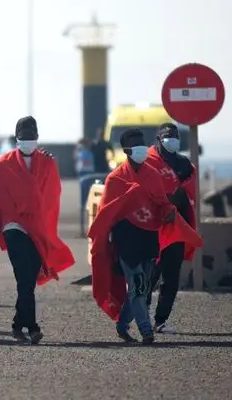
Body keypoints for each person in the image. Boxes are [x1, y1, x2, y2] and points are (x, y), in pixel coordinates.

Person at [87, 128, 201, 344]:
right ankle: (146, 330)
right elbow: (106, 214)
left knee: (144, 286)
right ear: (127, 150)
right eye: (135, 144)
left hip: (149, 237)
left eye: (142, 143)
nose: (141, 147)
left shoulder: (153, 175)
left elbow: (162, 202)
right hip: (126, 239)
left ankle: (122, 325)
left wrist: (169, 211)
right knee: (138, 284)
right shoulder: (115, 179)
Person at [0, 116, 75, 344]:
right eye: (25, 137)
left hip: (38, 228)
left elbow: (52, 193)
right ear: (17, 138)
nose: (29, 140)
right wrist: (19, 215)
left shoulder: (47, 163)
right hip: (14, 226)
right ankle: (33, 327)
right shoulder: (3, 164)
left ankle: (18, 325)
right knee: (23, 276)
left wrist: (38, 218)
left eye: (32, 136)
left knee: (27, 280)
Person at [145, 123, 198, 334]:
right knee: (150, 275)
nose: (172, 140)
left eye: (175, 137)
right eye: (168, 137)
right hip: (154, 229)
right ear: (159, 138)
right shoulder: (147, 162)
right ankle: (143, 316)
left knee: (171, 278)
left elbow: (188, 192)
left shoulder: (184, 164)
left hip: (176, 228)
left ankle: (161, 320)